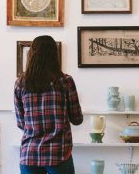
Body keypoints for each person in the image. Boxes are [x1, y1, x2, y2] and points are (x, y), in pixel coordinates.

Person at [15, 35, 82, 174]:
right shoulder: (65, 81)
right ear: (54, 55)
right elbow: (77, 119)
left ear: (32, 54)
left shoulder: (21, 83)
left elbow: (21, 123)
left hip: (29, 155)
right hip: (58, 154)